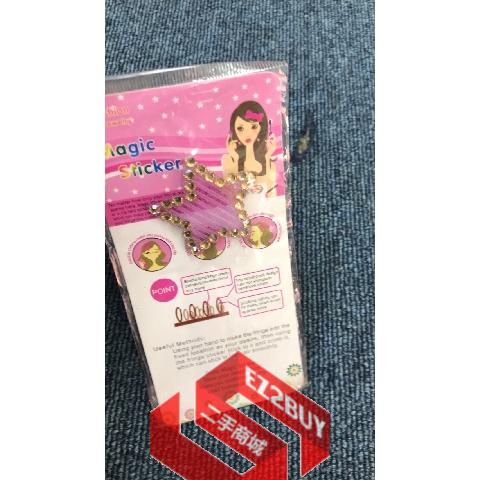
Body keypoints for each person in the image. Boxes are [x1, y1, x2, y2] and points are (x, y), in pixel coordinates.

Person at [222, 101, 277, 196]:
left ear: (261, 128)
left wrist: (267, 156)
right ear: (233, 130)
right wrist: (235, 158)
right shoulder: (228, 160)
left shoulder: (270, 164)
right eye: (240, 128)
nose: (247, 134)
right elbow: (229, 191)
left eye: (254, 126)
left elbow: (270, 194)